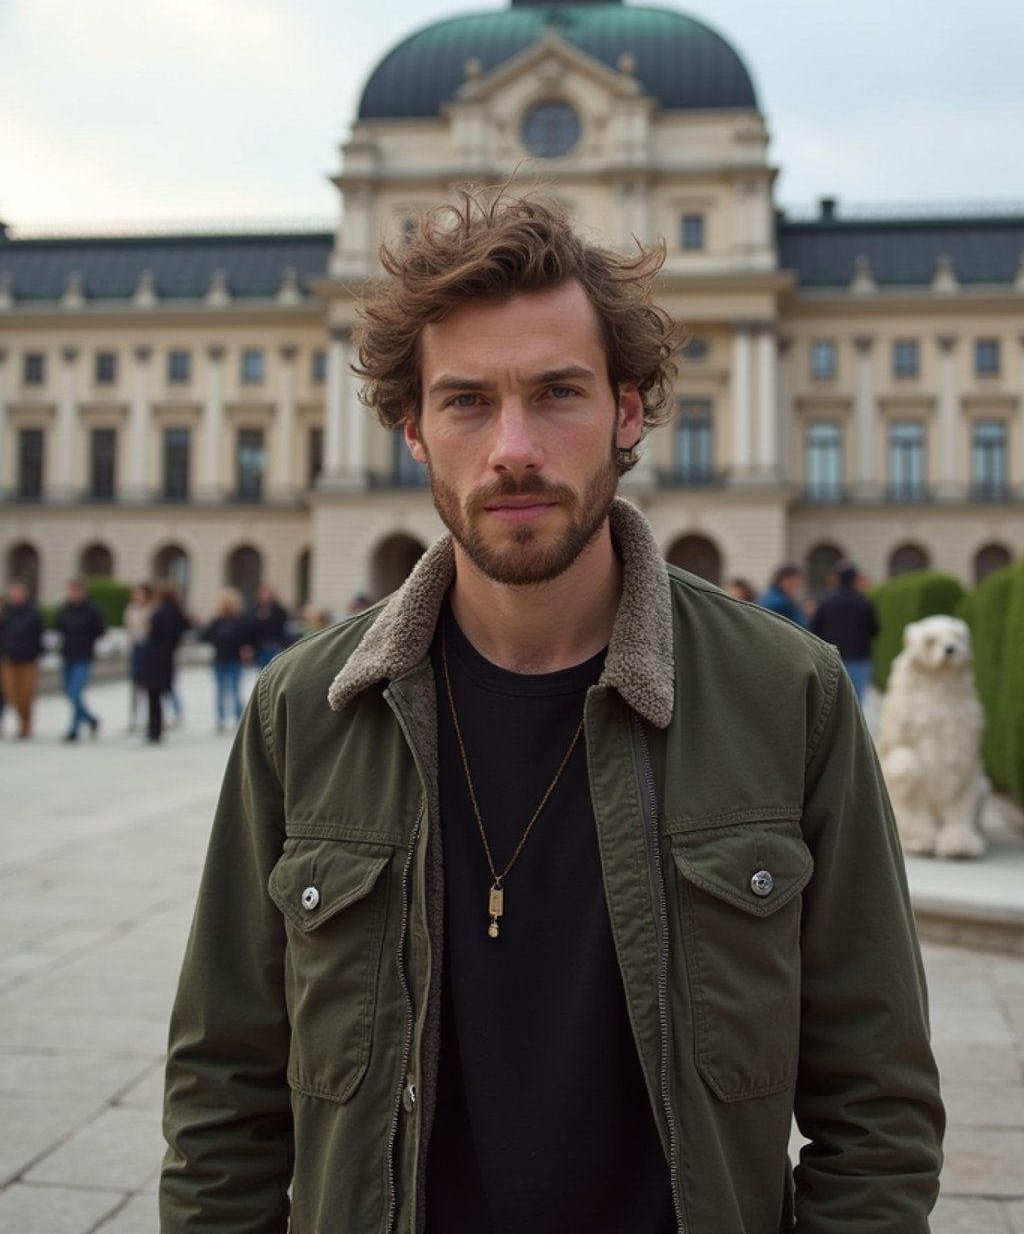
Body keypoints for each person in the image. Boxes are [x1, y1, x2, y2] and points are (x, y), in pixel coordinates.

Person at [161, 196, 943, 1233]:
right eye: (467, 402)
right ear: (411, 430)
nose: (512, 448)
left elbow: (876, 1103)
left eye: (556, 394)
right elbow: (223, 1093)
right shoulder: (304, 710)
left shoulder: (786, 696)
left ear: (628, 412)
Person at [810, 559, 881, 704]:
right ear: (855, 578)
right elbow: (875, 629)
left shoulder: (825, 600)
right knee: (857, 702)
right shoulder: (864, 601)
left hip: (832, 658)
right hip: (860, 658)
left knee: (834, 703)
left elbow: (815, 629)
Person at [138, 582, 190, 743]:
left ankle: (155, 729)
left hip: (155, 657)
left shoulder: (160, 613)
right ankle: (157, 728)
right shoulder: (177, 613)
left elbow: (152, 633)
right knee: (159, 695)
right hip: (167, 657)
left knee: (153, 696)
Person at [55, 578, 106, 741]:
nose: (72, 594)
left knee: (75, 692)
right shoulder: (65, 608)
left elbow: (100, 630)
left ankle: (74, 729)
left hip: (83, 656)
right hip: (67, 654)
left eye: (75, 591)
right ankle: (91, 719)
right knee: (69, 693)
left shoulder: (92, 609)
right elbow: (58, 627)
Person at [200, 588, 249, 732]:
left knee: (233, 691)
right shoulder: (217, 621)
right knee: (222, 691)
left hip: (233, 659)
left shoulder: (239, 620)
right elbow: (205, 636)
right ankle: (221, 720)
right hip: (220, 659)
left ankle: (237, 719)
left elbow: (246, 638)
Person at [0, 582, 44, 738]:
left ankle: (25, 725)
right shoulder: (6, 613)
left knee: (25, 694)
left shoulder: (32, 613)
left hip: (28, 660)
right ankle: (19, 721)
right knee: (11, 694)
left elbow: (39, 635)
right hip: (9, 659)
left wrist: (37, 654)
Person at [123, 581, 153, 732]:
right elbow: (128, 627)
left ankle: (148, 718)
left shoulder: (151, 610)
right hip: (135, 647)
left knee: (148, 685)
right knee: (134, 684)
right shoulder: (130, 609)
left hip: (147, 650)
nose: (137, 596)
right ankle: (134, 718)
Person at [758, 561, 809, 627]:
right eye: (793, 581)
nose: (796, 585)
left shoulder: (780, 598)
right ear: (782, 581)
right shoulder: (778, 603)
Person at [251, 583, 289, 669]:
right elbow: (251, 627)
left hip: (275, 644)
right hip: (260, 646)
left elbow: (282, 625)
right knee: (262, 671)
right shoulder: (254, 610)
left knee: (274, 669)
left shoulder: (279, 610)